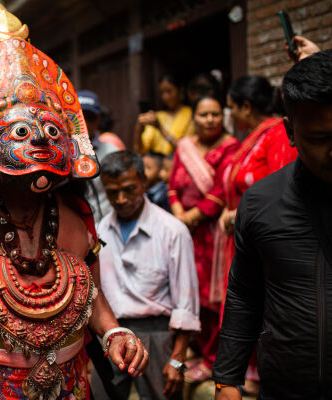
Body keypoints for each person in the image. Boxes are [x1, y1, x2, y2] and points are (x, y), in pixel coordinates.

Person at [0, 5, 148, 399]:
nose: (39, 141)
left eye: (51, 130)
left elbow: (91, 291)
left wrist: (114, 332)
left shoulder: (76, 218)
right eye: (20, 131)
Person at [214, 49, 332, 400]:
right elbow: (244, 294)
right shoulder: (261, 203)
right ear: (291, 132)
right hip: (284, 390)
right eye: (320, 139)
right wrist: (226, 379)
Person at [97, 150, 200, 400]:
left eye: (129, 189)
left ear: (143, 182)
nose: (121, 199)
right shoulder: (101, 230)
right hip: (111, 334)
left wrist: (177, 359)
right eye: (112, 192)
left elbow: (186, 301)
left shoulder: (172, 231)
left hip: (157, 335)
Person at [168, 95, 240, 382]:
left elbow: (221, 193)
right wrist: (178, 214)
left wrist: (188, 219)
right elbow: (172, 185)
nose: (209, 120)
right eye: (203, 115)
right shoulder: (185, 147)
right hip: (185, 231)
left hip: (212, 234)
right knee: (188, 290)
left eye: (214, 114)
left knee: (213, 296)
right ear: (193, 118)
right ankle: (197, 350)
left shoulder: (230, 148)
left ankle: (213, 359)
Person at [218, 75, 297, 308]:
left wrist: (234, 215)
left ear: (246, 107)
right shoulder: (254, 136)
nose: (229, 114)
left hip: (262, 242)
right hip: (243, 238)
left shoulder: (278, 135)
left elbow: (282, 192)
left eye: (231, 107)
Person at [77, 90, 121, 221]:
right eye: (80, 116)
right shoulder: (62, 152)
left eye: (90, 118)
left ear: (98, 119)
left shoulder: (111, 151)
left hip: (105, 225)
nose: (84, 122)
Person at [134, 74, 195, 155]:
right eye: (162, 93)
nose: (165, 97)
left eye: (169, 91)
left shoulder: (190, 114)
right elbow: (140, 150)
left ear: (180, 90)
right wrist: (139, 127)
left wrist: (160, 128)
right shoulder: (158, 116)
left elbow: (185, 150)